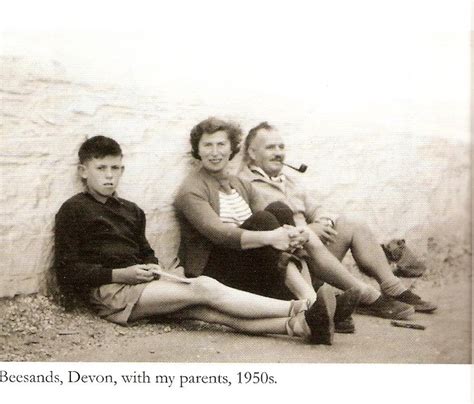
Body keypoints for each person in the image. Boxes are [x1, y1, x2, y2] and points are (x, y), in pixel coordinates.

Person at [54, 135, 348, 346]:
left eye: (115, 168)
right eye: (101, 168)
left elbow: (145, 251)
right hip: (110, 292)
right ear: (83, 171)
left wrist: (151, 267)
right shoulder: (74, 210)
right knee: (205, 288)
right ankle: (302, 308)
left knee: (210, 312)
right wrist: (121, 274)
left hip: (141, 284)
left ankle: (302, 328)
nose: (109, 176)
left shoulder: (131, 210)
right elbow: (68, 269)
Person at [174, 118, 360, 335]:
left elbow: (274, 217)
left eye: (221, 144)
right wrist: (272, 237)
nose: (215, 152)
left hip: (249, 265)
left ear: (231, 148)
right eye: (207, 145)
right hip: (216, 272)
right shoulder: (191, 190)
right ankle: (311, 301)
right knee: (262, 221)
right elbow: (220, 234)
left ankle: (320, 307)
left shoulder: (239, 184)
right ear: (197, 150)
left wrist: (293, 233)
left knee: (279, 209)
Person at [240, 122, 437, 318]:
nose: (278, 152)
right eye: (270, 147)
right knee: (300, 231)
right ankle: (366, 297)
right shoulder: (245, 184)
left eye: (281, 147)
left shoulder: (290, 182)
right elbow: (259, 228)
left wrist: (323, 223)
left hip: (315, 257)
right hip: (287, 265)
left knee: (353, 223)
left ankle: (394, 288)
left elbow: (319, 209)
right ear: (252, 152)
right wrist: (308, 230)